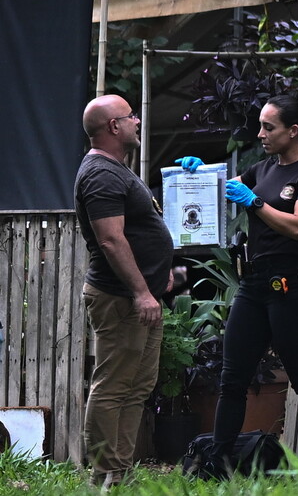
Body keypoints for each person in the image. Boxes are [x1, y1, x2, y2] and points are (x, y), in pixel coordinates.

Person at [177, 94, 298, 471]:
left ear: (293, 131)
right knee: (232, 379)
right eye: (260, 125)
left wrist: (255, 203)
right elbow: (220, 188)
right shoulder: (262, 169)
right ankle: (217, 467)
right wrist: (199, 174)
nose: (260, 134)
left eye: (269, 127)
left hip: (290, 285)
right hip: (254, 284)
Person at [75, 94, 174, 488]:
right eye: (130, 116)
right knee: (113, 385)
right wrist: (141, 292)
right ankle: (105, 474)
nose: (137, 121)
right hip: (120, 298)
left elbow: (136, 233)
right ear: (113, 127)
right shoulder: (101, 173)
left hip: (140, 295)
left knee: (138, 387)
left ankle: (121, 471)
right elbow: (111, 241)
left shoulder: (118, 169)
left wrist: (158, 276)